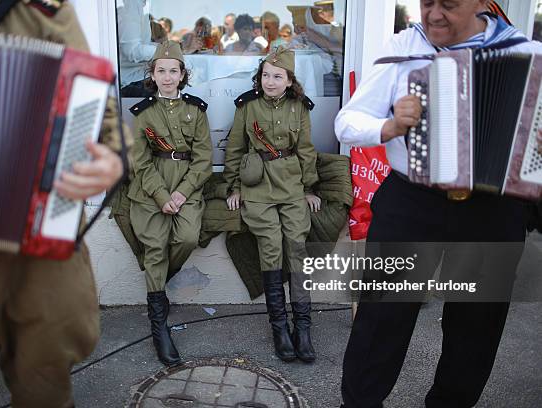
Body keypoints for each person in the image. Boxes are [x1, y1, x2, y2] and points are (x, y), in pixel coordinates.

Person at [334, 1, 542, 407]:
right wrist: (389, 126)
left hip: (494, 209)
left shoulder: (527, 53)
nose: (434, 14)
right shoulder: (403, 50)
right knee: (381, 320)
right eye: (427, 2)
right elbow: (347, 122)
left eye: (449, 4)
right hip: (412, 203)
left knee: (476, 327)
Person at [0, 1, 128, 407]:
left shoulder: (44, 8)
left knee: (42, 385)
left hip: (33, 240)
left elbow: (97, 105)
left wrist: (112, 159)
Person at [224, 46, 320, 363]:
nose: (270, 81)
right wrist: (233, 187)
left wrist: (309, 188)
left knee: (297, 245)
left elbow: (306, 149)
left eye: (277, 76)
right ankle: (280, 328)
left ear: (290, 80)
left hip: (291, 183)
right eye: (266, 75)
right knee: (270, 245)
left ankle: (302, 328)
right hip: (258, 186)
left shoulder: (299, 107)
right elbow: (235, 150)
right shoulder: (247, 107)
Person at [128, 41, 212, 366]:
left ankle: (158, 283)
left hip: (187, 182)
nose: (167, 76)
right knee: (155, 246)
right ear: (152, 74)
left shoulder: (197, 110)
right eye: (160, 70)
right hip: (151, 187)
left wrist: (181, 193)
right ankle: (159, 327)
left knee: (188, 237)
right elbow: (140, 162)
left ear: (182, 75)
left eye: (172, 71)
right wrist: (162, 196)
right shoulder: (143, 113)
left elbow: (204, 159)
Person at [118, 0, 158, 97]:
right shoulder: (132, 4)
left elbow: (141, 44)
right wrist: (166, 50)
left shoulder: (137, 5)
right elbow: (132, 50)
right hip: (132, 83)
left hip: (138, 79)